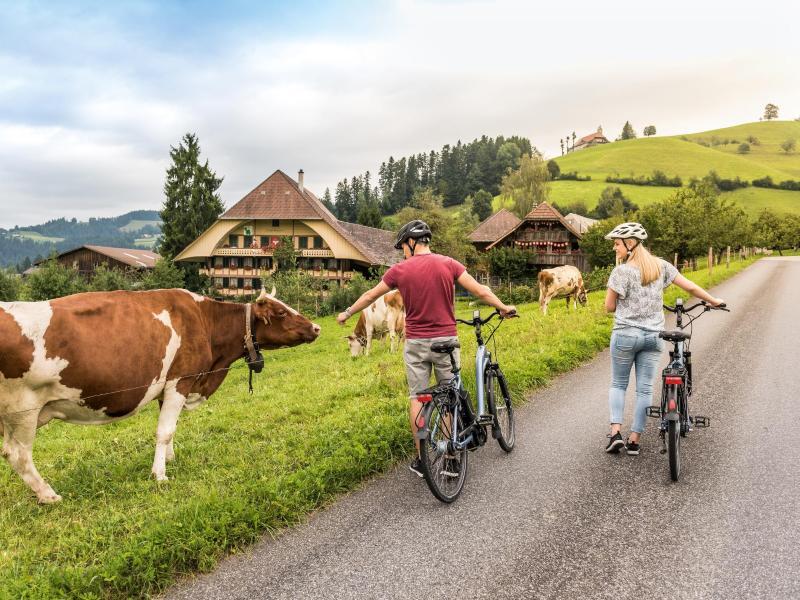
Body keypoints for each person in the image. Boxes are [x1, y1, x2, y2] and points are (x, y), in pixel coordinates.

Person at [337, 220, 516, 477]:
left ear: (411, 243)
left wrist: (346, 313)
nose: (403, 252)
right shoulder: (449, 264)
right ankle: (450, 457)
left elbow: (369, 296)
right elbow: (481, 290)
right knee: (449, 398)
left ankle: (422, 459)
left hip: (416, 344)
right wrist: (502, 307)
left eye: (403, 247)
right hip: (446, 341)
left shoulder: (399, 270)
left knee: (417, 398)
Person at [603, 222, 724, 455]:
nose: (614, 248)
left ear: (630, 244)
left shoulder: (621, 271)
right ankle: (635, 440)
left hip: (625, 334)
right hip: (653, 336)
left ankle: (616, 433)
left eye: (617, 244)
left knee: (618, 384)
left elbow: (609, 306)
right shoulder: (661, 266)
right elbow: (688, 286)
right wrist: (713, 300)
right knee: (645, 389)